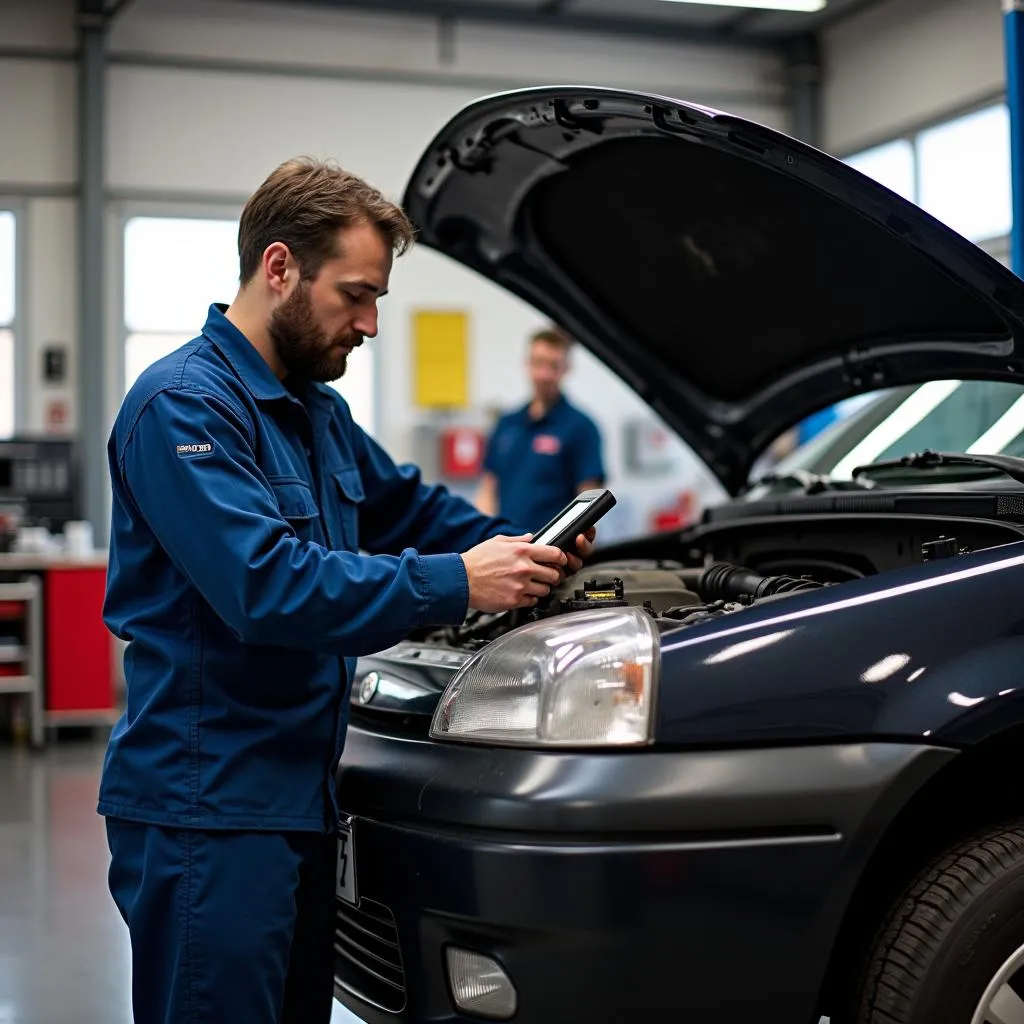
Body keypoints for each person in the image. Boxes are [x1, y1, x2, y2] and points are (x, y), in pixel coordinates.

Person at [98, 157, 596, 1024]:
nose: (368, 325)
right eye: (355, 296)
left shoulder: (316, 412)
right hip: (208, 808)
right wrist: (462, 584)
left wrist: (530, 539)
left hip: (300, 801)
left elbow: (411, 507)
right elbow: (267, 586)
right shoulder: (183, 409)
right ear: (280, 267)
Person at [476, 326, 605, 530]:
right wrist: (483, 535)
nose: (544, 374)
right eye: (539, 363)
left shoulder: (581, 427)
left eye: (553, 366)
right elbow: (488, 489)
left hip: (551, 554)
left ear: (567, 369)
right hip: (504, 549)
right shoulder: (507, 423)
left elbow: (588, 503)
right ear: (527, 364)